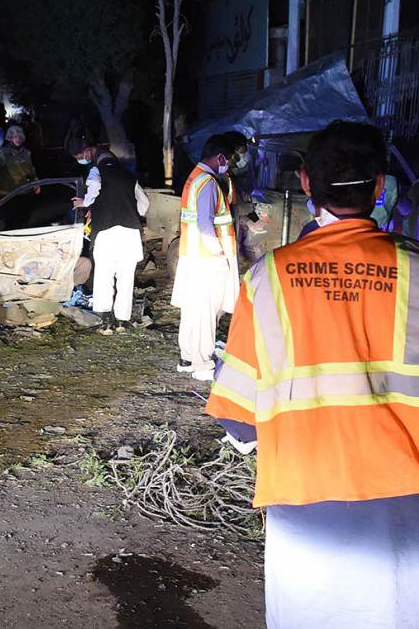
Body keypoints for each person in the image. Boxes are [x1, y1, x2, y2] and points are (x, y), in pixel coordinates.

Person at [204, 121, 419, 628]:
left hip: (302, 492)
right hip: (404, 496)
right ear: (381, 187)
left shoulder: (267, 277)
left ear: (305, 185)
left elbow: (238, 420)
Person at [171, 134, 238, 381]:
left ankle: (187, 358)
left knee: (193, 310)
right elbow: (206, 225)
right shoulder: (208, 183)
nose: (229, 164)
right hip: (207, 258)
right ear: (220, 156)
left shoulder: (194, 178)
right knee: (206, 312)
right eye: (229, 159)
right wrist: (219, 254)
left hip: (192, 254)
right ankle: (203, 364)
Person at [70, 137, 149, 334]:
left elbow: (94, 187)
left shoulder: (96, 172)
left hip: (106, 232)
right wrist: (130, 211)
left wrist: (86, 202)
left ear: (92, 154)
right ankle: (122, 321)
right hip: (130, 232)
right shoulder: (128, 176)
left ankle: (106, 322)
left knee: (104, 276)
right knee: (126, 277)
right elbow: (144, 204)